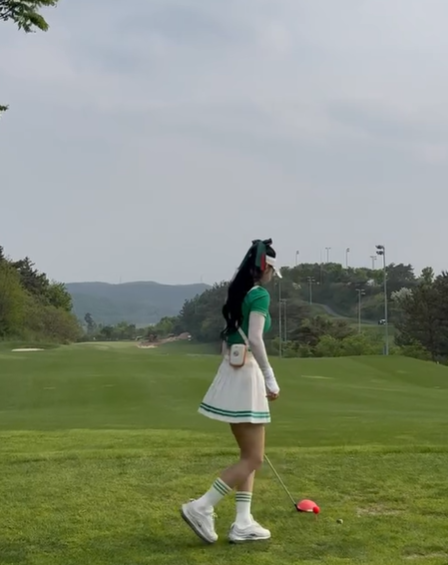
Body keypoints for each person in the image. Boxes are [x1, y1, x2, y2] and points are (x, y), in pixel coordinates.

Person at [181, 238, 281, 544]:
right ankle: (201, 506)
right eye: (272, 271)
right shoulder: (259, 295)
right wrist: (270, 376)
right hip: (247, 375)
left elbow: (227, 341)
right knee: (254, 459)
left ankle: (243, 521)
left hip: (232, 371)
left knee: (248, 455)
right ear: (265, 269)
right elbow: (255, 338)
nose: (272, 277)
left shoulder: (237, 293)